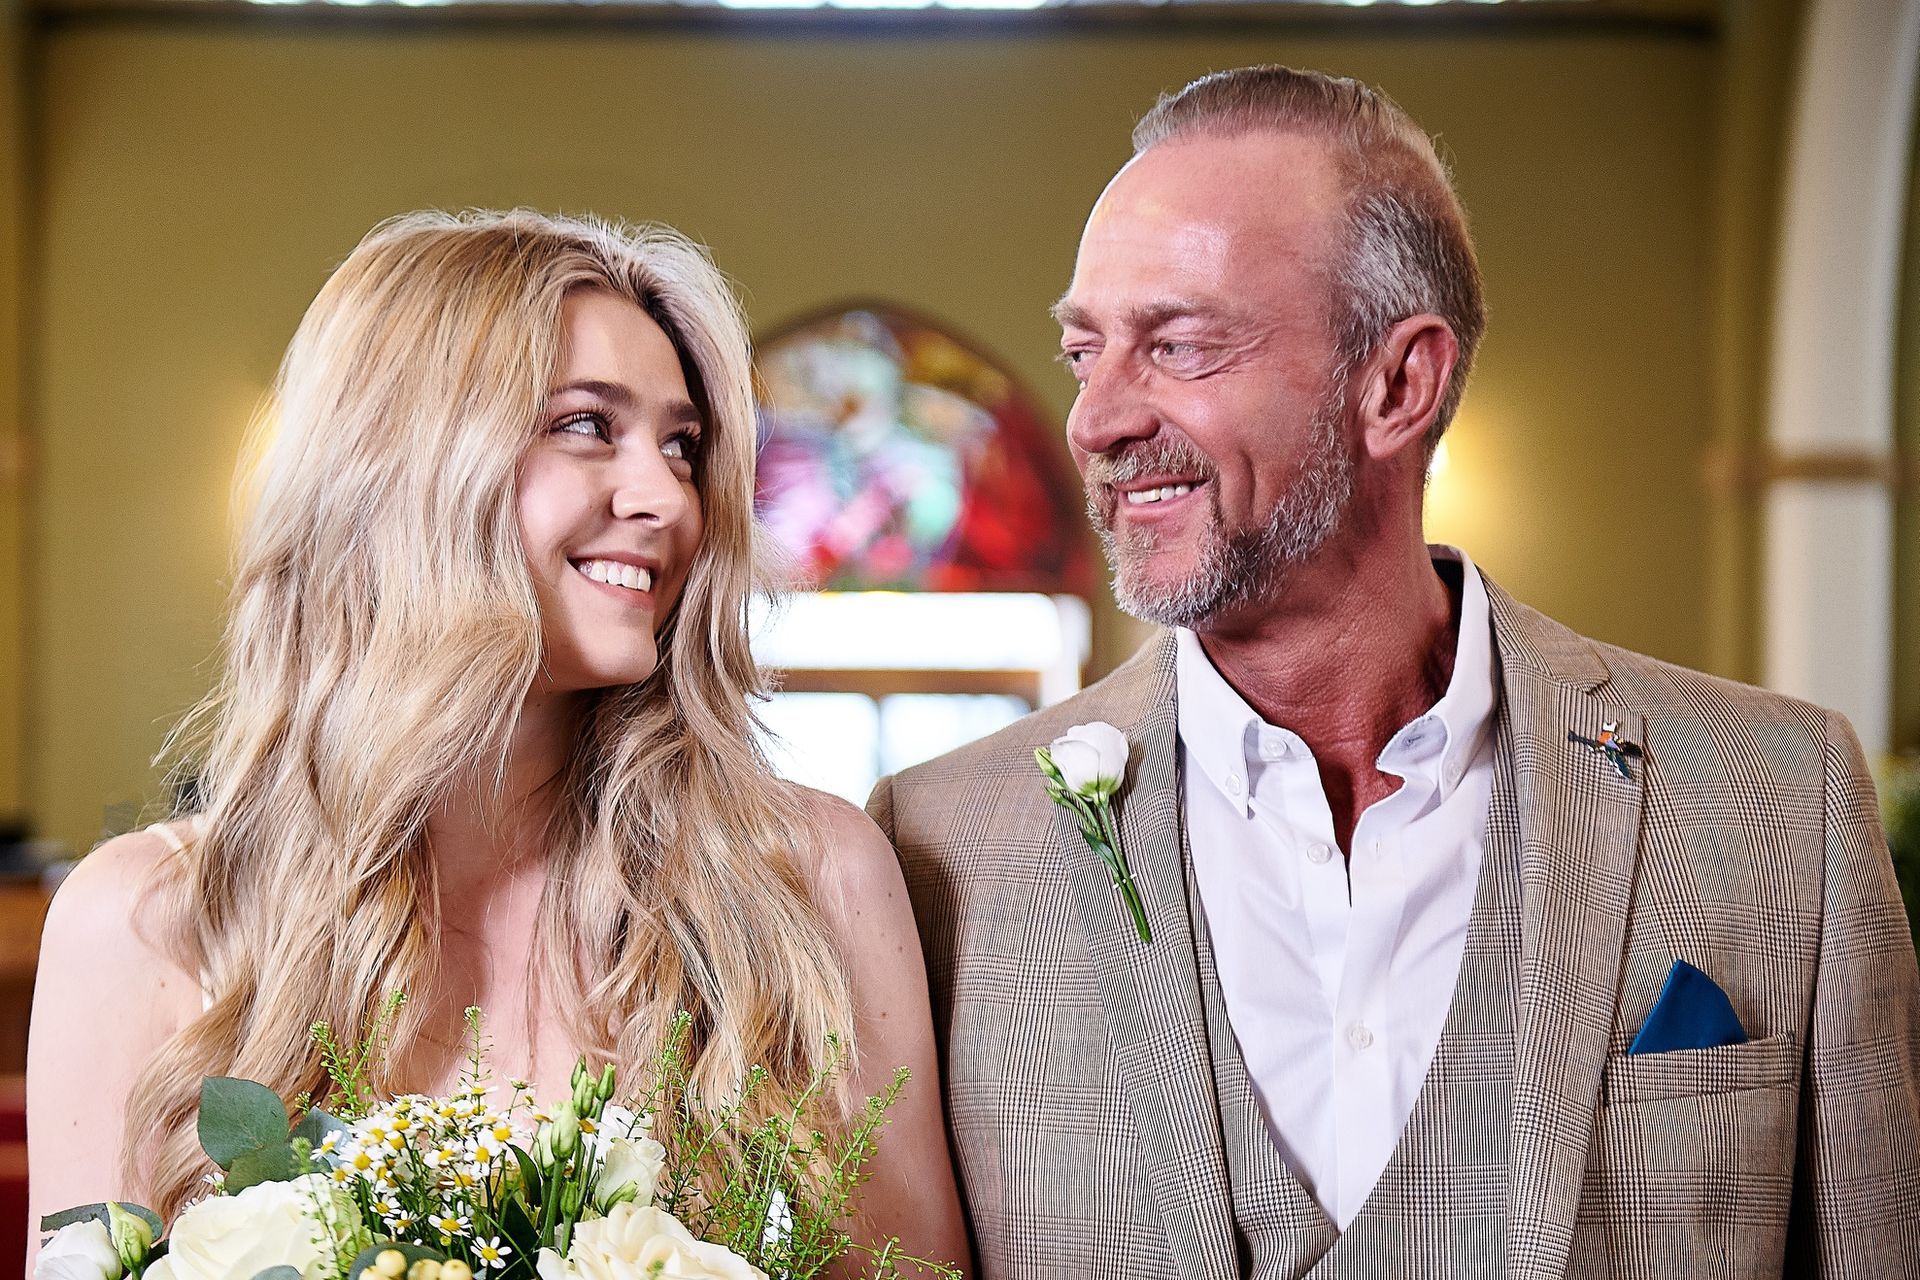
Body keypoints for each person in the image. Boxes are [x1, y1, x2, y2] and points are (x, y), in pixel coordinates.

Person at [870, 66, 1920, 1277]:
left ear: (1398, 384)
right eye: (1084, 351)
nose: (1095, 419)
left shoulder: (1782, 798)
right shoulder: (936, 849)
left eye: (1179, 345)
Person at [26, 210, 969, 1272]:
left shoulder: (811, 881)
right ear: (399, 464)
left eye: (682, 445)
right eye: (586, 425)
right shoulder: (146, 922)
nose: (667, 498)